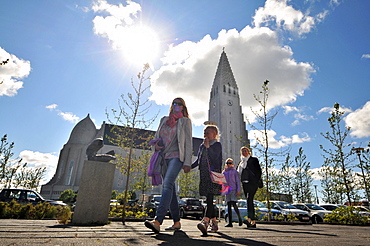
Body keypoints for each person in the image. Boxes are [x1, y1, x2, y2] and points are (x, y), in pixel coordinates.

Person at [144, 97, 192, 233]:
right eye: (174, 103)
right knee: (170, 190)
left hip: (177, 157)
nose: (176, 105)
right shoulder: (164, 120)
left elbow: (188, 142)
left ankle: (158, 221)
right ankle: (176, 222)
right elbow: (157, 136)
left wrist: (187, 162)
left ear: (183, 107)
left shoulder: (185, 121)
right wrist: (156, 146)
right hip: (163, 157)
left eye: (179, 104)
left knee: (167, 185)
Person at [191, 125, 222, 236]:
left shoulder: (217, 145)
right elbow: (199, 159)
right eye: (204, 132)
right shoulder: (201, 146)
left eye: (208, 132)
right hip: (203, 173)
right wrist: (189, 167)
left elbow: (215, 158)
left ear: (214, 134)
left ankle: (205, 221)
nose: (205, 134)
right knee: (209, 198)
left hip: (212, 174)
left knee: (210, 197)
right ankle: (214, 222)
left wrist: (208, 147)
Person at [237, 146, 262, 228]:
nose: (244, 152)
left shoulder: (253, 160)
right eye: (242, 151)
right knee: (248, 201)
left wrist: (255, 180)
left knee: (249, 199)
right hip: (245, 183)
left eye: (245, 151)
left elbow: (258, 171)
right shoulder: (241, 163)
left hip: (252, 183)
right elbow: (238, 173)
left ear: (248, 152)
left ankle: (250, 219)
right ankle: (252, 221)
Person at [222, 158, 242, 227]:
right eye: (227, 163)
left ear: (232, 164)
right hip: (227, 190)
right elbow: (222, 182)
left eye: (230, 163)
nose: (228, 164)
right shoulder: (224, 172)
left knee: (234, 204)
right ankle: (230, 222)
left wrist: (238, 190)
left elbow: (237, 181)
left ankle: (240, 219)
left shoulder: (234, 172)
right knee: (229, 205)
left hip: (233, 189)